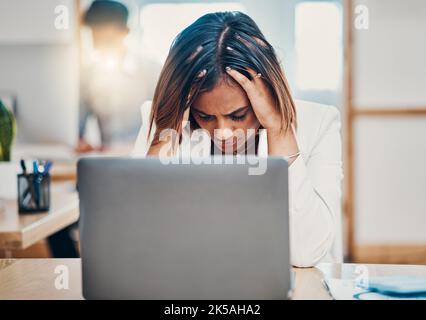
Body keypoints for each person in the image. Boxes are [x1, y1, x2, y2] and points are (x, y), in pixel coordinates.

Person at [132, 12, 343, 267]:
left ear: (265, 93)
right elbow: (140, 241)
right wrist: (165, 136)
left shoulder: (319, 123)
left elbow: (306, 252)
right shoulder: (164, 123)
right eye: (205, 116)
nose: (223, 132)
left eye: (238, 115)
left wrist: (279, 130)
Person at [78, 0, 160, 152]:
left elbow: (167, 124)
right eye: (95, 32)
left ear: (125, 32)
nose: (98, 37)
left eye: (105, 33)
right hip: (106, 159)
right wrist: (82, 142)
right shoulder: (88, 75)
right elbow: (77, 128)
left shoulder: (151, 71)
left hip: (144, 157)